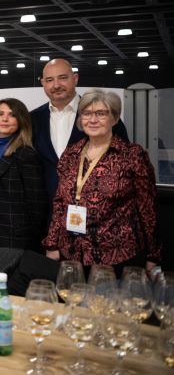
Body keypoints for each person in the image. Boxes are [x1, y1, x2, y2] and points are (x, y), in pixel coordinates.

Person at [43, 90, 159, 274]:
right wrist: (51, 243)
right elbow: (59, 203)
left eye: (101, 113)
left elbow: (148, 209)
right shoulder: (71, 154)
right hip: (71, 253)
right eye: (87, 114)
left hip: (115, 256)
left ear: (114, 118)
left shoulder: (132, 155)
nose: (93, 119)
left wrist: (154, 255)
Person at [30, 58, 128, 208]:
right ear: (43, 83)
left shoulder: (103, 117)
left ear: (75, 78)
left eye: (63, 78)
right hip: (46, 211)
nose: (56, 85)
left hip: (98, 214)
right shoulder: (32, 119)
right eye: (49, 80)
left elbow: (124, 163)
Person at [0, 99, 47, 250]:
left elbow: (36, 205)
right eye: (0, 114)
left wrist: (33, 240)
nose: (4, 119)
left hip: (13, 237)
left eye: (12, 115)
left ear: (21, 120)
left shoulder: (26, 154)